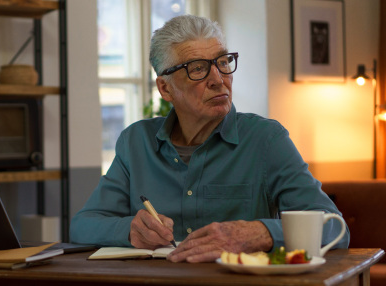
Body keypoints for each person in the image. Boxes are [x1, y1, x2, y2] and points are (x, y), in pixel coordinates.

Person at [69, 14, 349, 263]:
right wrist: (130, 230)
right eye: (198, 68)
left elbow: (336, 228)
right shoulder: (135, 143)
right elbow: (82, 226)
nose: (218, 78)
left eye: (223, 62)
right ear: (165, 88)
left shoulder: (267, 140)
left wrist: (260, 233)